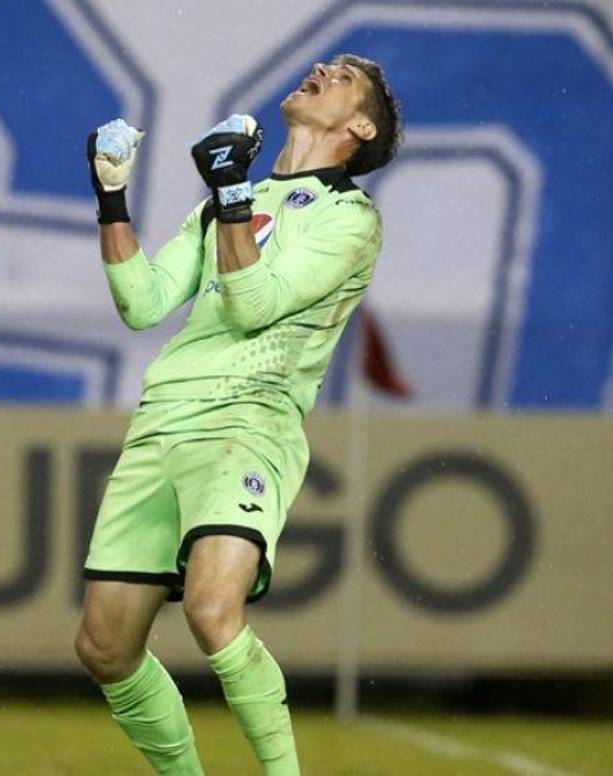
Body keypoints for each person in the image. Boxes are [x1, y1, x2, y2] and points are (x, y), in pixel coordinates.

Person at [75, 54, 401, 775]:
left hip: (247, 422)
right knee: (104, 647)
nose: (322, 68)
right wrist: (112, 196)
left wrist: (226, 190)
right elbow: (144, 303)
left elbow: (254, 308)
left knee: (212, 608)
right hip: (163, 421)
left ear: (360, 124)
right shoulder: (235, 198)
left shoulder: (351, 220)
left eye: (344, 76)